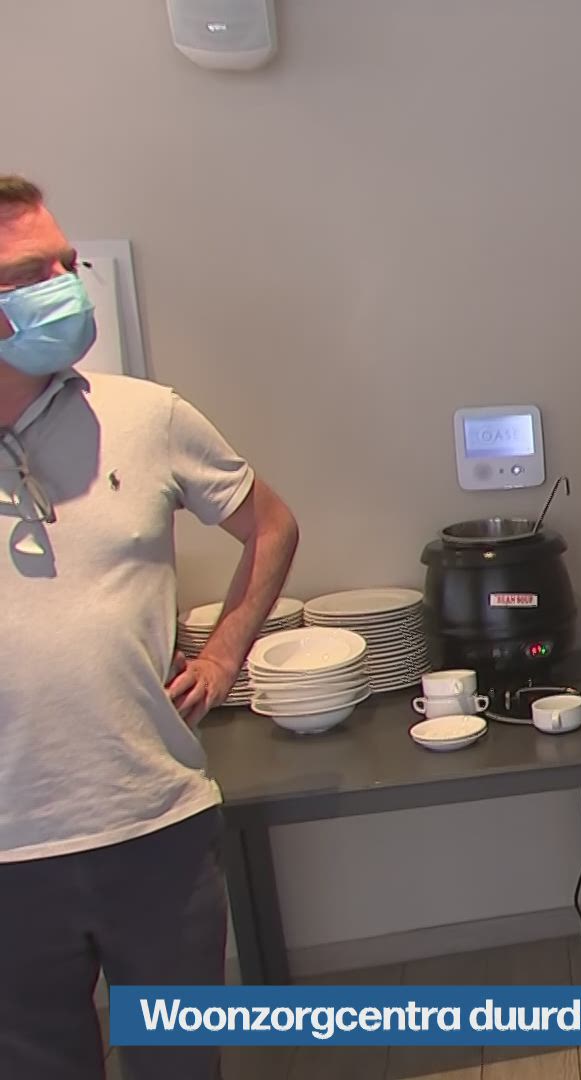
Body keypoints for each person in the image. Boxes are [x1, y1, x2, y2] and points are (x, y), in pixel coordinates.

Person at [0, 175, 302, 1080]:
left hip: (154, 829)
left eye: (67, 264)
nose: (66, 286)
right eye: (31, 272)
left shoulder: (146, 417)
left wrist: (223, 655)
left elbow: (272, 526)